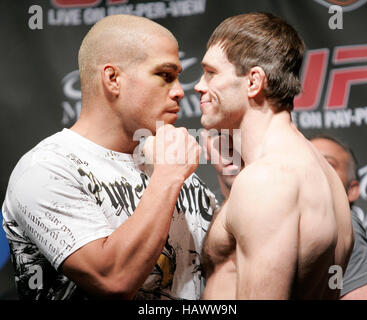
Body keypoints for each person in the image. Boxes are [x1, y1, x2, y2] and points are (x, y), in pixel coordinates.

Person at [1, 14, 217, 300]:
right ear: (113, 79)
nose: (179, 91)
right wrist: (168, 177)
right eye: (165, 75)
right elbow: (112, 280)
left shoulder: (170, 165)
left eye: (178, 77)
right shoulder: (46, 169)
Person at [194, 12, 353, 299]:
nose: (199, 86)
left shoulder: (267, 180)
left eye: (211, 73)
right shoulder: (322, 175)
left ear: (254, 81)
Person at [310, 135, 367, 300]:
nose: (312, 169)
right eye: (305, 161)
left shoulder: (340, 226)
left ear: (352, 190)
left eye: (328, 164)